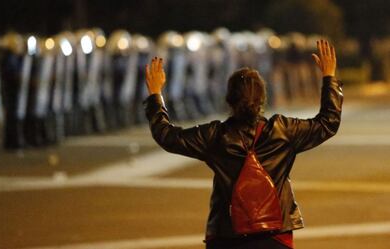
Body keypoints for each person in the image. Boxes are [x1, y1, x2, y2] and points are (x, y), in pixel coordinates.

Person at [144, 40, 342, 249]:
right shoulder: (282, 130)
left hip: (228, 235)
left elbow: (166, 135)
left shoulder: (216, 136)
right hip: (275, 235)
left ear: (229, 100)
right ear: (262, 99)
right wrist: (329, 78)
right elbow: (328, 122)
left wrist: (156, 95)